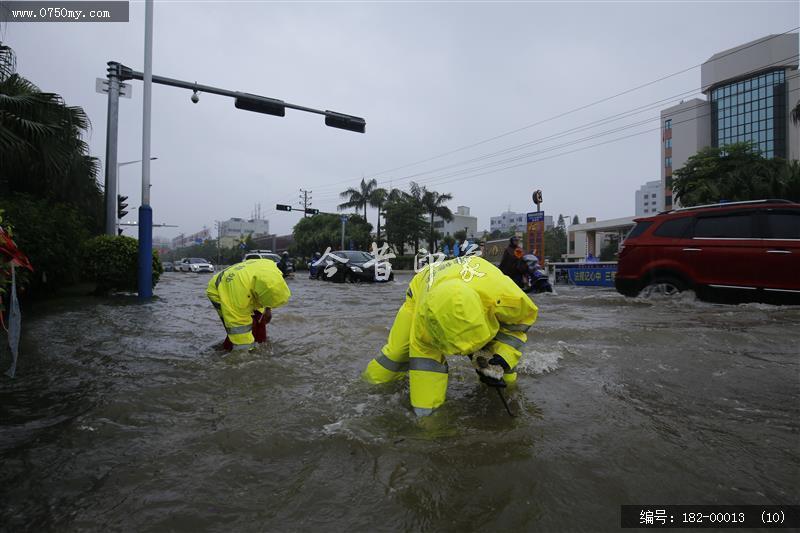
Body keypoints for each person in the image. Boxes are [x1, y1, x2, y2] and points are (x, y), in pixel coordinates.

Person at [362, 256, 538, 416]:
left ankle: (507, 387)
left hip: (475, 283)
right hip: (421, 289)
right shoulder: (424, 320)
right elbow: (425, 370)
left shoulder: (506, 296)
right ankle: (366, 387)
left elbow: (519, 324)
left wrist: (504, 357)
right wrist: (428, 420)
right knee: (396, 354)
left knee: (503, 368)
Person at [206, 259, 291, 352]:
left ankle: (258, 342)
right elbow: (238, 325)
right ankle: (226, 350)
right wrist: (246, 357)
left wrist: (268, 309)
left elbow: (271, 290)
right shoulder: (238, 301)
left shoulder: (272, 268)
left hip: (246, 282)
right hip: (220, 290)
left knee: (259, 320)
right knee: (238, 330)